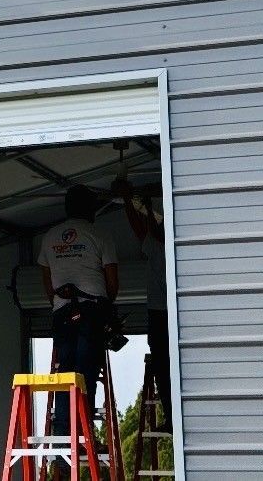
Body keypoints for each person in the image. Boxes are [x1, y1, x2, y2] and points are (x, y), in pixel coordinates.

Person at [38, 184, 118, 440]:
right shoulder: (100, 235)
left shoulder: (50, 236)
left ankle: (63, 438)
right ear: (91, 209)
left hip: (62, 313)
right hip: (91, 312)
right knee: (85, 373)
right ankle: (82, 433)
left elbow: (47, 280)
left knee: (66, 373)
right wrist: (105, 307)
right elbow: (113, 283)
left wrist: (58, 302)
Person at [112, 179, 173, 432]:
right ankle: (172, 419)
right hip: (171, 314)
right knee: (166, 369)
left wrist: (128, 200)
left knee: (163, 369)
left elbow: (139, 229)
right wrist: (145, 208)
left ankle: (171, 419)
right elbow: (145, 229)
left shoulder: (158, 248)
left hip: (160, 315)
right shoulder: (166, 247)